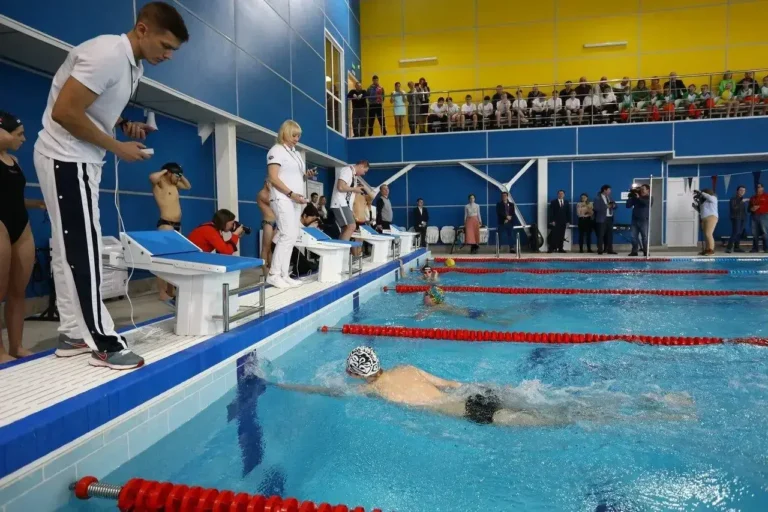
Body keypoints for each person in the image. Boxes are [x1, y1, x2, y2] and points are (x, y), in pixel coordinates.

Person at [33, 2, 189, 370]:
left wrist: (121, 126)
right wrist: (118, 147)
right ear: (142, 30)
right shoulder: (108, 54)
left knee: (68, 248)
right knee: (83, 248)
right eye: (165, 46)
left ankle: (73, 333)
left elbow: (93, 104)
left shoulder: (133, 65)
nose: (168, 55)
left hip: (79, 159)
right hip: (66, 157)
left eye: (173, 50)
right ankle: (104, 343)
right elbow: (64, 111)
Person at [274, 346, 695, 428]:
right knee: (553, 402)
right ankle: (653, 401)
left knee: (560, 418)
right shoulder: (406, 366)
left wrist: (286, 386)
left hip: (469, 411)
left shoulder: (371, 391)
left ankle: (653, 417)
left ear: (355, 374)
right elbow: (453, 382)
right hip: (476, 393)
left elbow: (328, 392)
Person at [0, 111, 46, 363]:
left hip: (21, 225)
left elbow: (12, 197)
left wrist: (35, 203)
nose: (24, 139)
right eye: (18, 134)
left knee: (18, 291)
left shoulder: (14, 161)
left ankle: (16, 346)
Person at [266, 120, 316, 289]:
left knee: (293, 236)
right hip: (283, 198)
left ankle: (284, 274)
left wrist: (306, 175)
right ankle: (273, 275)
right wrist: (291, 194)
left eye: (298, 136)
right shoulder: (276, 150)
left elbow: (294, 176)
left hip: (295, 199)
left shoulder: (295, 153)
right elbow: (273, 178)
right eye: (294, 135)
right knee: (287, 234)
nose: (297, 139)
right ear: (285, 133)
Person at [150, 162, 191, 303]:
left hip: (177, 226)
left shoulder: (175, 186)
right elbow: (152, 177)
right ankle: (162, 293)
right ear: (168, 173)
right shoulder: (160, 184)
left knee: (174, 261)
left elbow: (188, 186)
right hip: (166, 225)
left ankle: (170, 290)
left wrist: (179, 174)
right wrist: (165, 171)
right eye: (177, 175)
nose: (179, 178)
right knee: (163, 261)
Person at [331, 160, 369, 242]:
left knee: (346, 228)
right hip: (339, 203)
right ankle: (344, 248)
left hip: (346, 204)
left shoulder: (354, 175)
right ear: (361, 166)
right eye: (364, 171)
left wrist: (356, 190)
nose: (363, 174)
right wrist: (354, 189)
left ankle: (341, 248)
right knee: (351, 226)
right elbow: (340, 187)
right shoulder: (347, 170)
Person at [626, 184, 651, 256]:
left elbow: (646, 204)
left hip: (644, 220)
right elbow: (628, 206)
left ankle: (646, 251)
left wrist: (639, 198)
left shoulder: (649, 198)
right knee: (633, 237)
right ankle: (634, 251)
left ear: (648, 190)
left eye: (643, 189)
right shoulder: (636, 198)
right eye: (641, 189)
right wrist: (630, 197)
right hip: (634, 220)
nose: (641, 191)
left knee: (644, 237)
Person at [257, 180, 277, 268]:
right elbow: (272, 202)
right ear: (266, 183)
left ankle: (271, 270)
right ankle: (265, 271)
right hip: (268, 222)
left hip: (275, 222)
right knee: (266, 248)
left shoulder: (270, 194)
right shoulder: (262, 194)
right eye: (272, 184)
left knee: (272, 248)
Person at [593, 185, 617, 255]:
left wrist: (614, 205)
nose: (610, 191)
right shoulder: (597, 198)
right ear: (604, 190)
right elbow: (596, 208)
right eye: (609, 190)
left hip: (610, 218)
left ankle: (610, 250)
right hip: (601, 219)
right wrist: (606, 206)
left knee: (610, 235)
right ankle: (600, 250)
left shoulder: (610, 197)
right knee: (600, 235)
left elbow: (616, 206)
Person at [697, 189, 718, 256]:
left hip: (711, 217)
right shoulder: (703, 201)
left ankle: (711, 250)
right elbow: (702, 211)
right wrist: (697, 207)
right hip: (704, 218)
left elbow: (708, 197)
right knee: (706, 235)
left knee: (708, 233)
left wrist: (701, 192)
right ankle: (707, 249)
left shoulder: (713, 198)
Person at [726, 185, 747, 253]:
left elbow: (744, 210)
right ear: (737, 191)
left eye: (744, 190)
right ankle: (729, 248)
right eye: (741, 190)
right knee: (736, 232)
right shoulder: (733, 199)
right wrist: (741, 202)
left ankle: (736, 247)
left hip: (743, 218)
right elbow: (734, 208)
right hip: (736, 217)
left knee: (739, 233)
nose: (742, 191)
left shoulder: (743, 200)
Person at [749, 183, 768, 253]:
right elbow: (749, 208)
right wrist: (751, 209)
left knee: (765, 232)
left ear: (762, 188)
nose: (758, 188)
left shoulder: (766, 196)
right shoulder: (752, 198)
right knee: (755, 233)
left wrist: (759, 207)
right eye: (757, 187)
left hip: (764, 216)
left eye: (759, 187)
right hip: (754, 216)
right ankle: (755, 248)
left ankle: (766, 248)